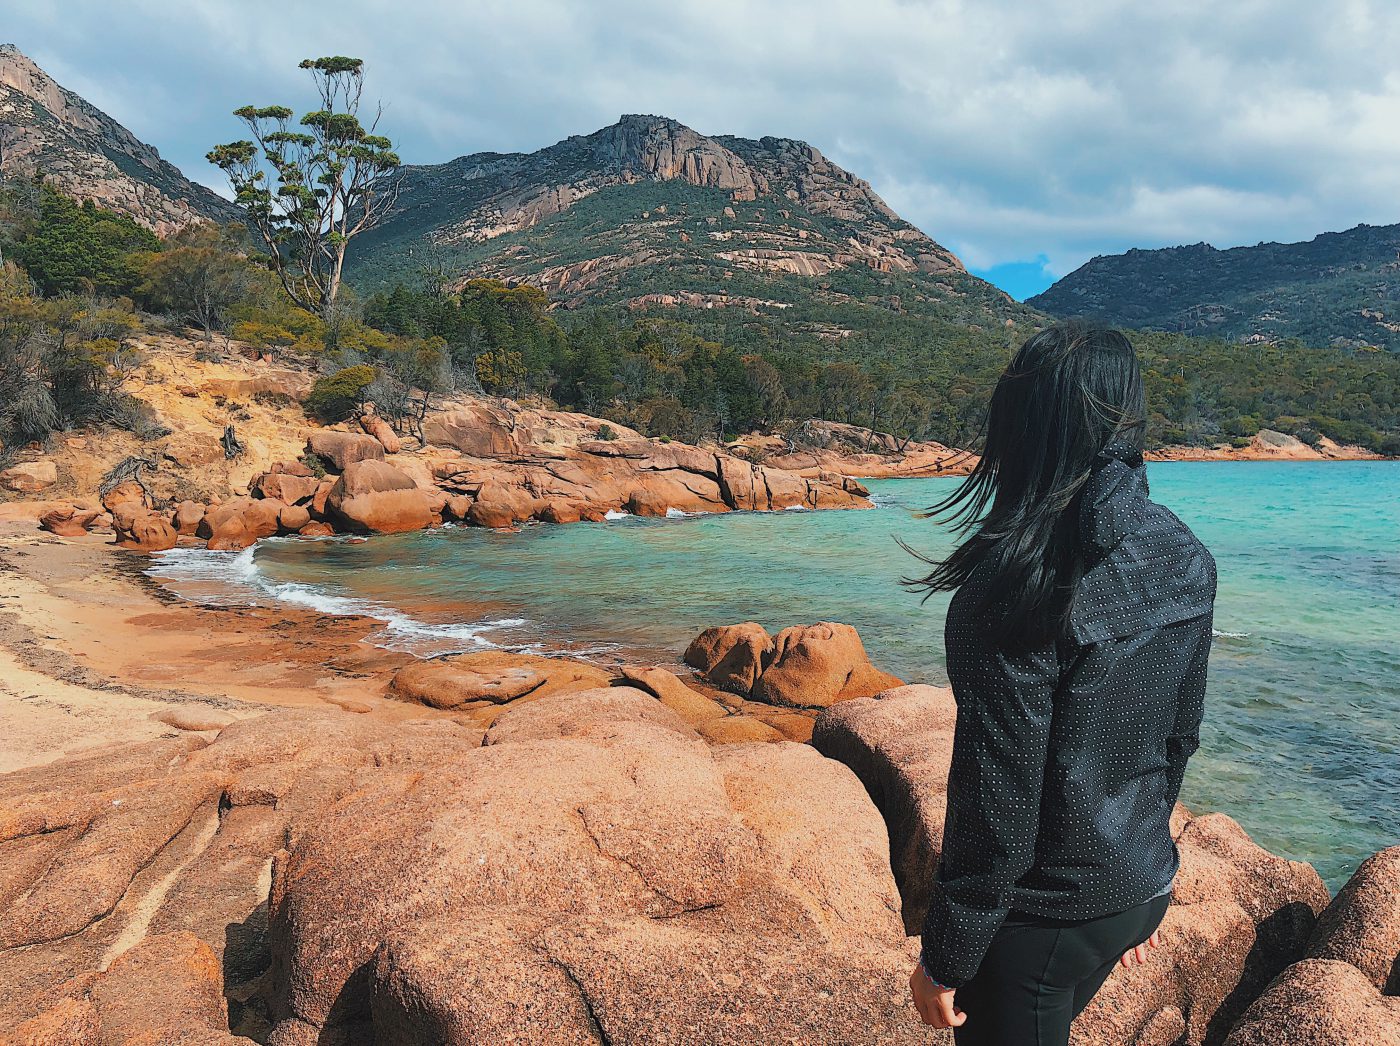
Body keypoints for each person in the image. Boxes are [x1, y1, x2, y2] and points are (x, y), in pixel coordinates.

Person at [903, 321, 1217, 1045]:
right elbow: (1180, 735)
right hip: (1134, 890)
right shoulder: (1183, 552)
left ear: (1023, 425)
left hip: (1043, 923)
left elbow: (997, 799)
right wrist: (1138, 882)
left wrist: (946, 956)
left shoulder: (1012, 590)